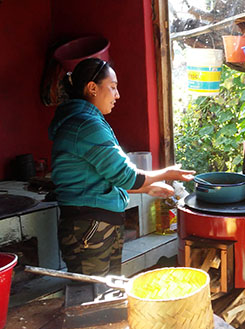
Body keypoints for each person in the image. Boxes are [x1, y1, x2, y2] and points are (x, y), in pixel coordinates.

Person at [48, 58, 195, 276]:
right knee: (93, 297)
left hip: (95, 225)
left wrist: (146, 189)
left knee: (106, 295)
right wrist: (167, 173)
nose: (117, 95)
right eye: (113, 87)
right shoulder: (85, 125)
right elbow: (126, 176)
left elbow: (103, 180)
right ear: (92, 88)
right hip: (89, 227)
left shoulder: (85, 120)